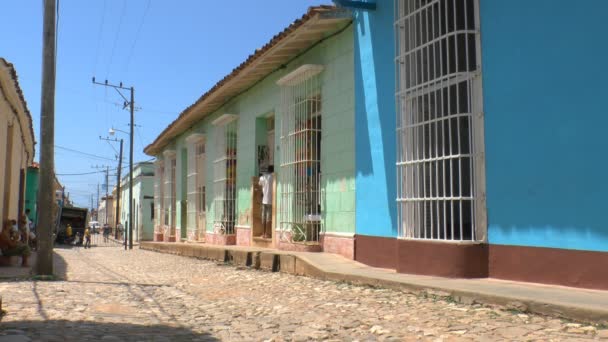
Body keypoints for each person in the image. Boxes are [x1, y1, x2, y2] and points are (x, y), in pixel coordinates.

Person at [258, 165, 274, 238]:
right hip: (271, 200)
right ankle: (268, 233)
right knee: (268, 218)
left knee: (263, 217)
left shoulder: (263, 177)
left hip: (264, 200)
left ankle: (263, 233)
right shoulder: (273, 177)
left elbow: (259, 183)